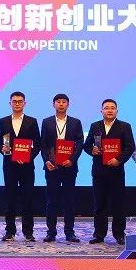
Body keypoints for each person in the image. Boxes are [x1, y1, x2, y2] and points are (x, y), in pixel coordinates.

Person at [83, 99, 135, 245]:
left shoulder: (124, 126)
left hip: (116, 171)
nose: (109, 110)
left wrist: (118, 159)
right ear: (101, 111)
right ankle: (99, 234)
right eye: (106, 108)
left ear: (117, 111)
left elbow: (130, 147)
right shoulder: (95, 126)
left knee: (118, 204)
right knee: (99, 204)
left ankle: (119, 234)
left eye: (112, 108)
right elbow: (86, 146)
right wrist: (92, 150)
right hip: (99, 171)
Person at [0, 91, 41, 242]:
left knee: (27, 199)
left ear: (24, 103)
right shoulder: (3, 121)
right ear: (10, 103)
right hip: (9, 166)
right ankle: (10, 231)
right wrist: (3, 149)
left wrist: (28, 157)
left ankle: (28, 232)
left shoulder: (32, 121)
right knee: (10, 199)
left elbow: (38, 144)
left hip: (27, 167)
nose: (17, 103)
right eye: (14, 101)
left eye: (20, 101)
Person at [40, 93, 84, 243]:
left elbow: (80, 143)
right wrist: (46, 161)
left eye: (64, 102)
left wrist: (72, 160)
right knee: (51, 200)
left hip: (69, 167)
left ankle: (69, 232)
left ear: (68, 105)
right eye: (58, 102)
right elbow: (43, 144)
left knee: (69, 201)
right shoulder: (46, 122)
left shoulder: (75, 122)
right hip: (52, 167)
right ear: (53, 104)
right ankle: (51, 232)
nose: (61, 104)